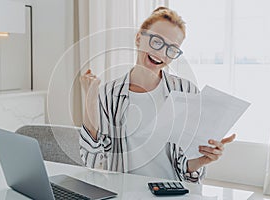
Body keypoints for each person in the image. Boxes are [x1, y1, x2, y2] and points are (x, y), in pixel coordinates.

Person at [79, 6, 235, 183]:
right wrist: (91, 99)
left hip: (173, 193)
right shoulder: (109, 93)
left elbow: (186, 166)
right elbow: (91, 161)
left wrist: (201, 161)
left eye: (172, 49)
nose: (161, 53)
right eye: (156, 41)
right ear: (139, 38)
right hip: (124, 193)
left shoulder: (186, 91)